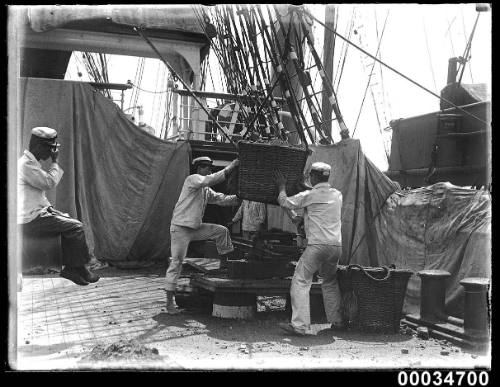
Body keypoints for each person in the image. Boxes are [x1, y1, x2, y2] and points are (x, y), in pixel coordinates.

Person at [18, 127, 100, 286]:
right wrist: (55, 162)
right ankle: (72, 268)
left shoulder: (30, 164)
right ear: (38, 147)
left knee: (68, 221)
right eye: (50, 149)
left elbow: (36, 197)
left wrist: (50, 209)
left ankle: (79, 268)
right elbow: (49, 182)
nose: (51, 153)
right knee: (76, 227)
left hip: (33, 214)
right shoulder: (26, 165)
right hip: (28, 219)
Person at [273, 162, 344, 335]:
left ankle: (300, 325)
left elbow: (284, 201)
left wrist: (282, 186)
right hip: (336, 247)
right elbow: (318, 206)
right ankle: (337, 321)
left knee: (301, 280)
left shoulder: (308, 195)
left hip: (317, 246)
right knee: (329, 282)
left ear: (313, 177)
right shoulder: (337, 195)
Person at [165, 156, 240, 314]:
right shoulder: (192, 180)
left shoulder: (205, 189)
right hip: (180, 228)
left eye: (209, 167)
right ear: (198, 168)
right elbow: (210, 180)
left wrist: (241, 198)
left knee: (221, 231)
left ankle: (223, 265)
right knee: (177, 262)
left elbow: (221, 199)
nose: (209, 169)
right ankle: (169, 304)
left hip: (194, 228)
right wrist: (232, 165)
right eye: (206, 167)